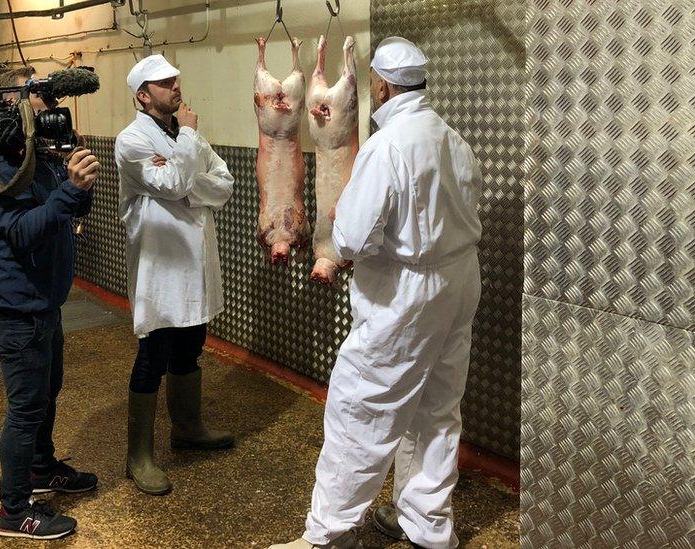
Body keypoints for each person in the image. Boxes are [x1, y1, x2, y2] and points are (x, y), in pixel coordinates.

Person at [270, 37, 484, 549]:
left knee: (361, 404)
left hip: (405, 293)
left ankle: (329, 533)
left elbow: (354, 239)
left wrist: (342, 228)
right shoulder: (452, 139)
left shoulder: (387, 147)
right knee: (436, 407)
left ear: (383, 87)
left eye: (372, 83)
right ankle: (429, 528)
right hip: (459, 280)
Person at [0, 66, 99, 540]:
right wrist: (68, 190)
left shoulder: (37, 153)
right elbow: (24, 233)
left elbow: (67, 211)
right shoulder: (2, 164)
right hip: (15, 310)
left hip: (44, 303)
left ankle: (41, 469)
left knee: (49, 391)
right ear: (11, 102)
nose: (48, 104)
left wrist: (77, 184)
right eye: (38, 94)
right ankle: (13, 511)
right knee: (25, 408)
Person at [115, 55, 236, 496]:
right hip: (160, 270)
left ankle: (187, 429)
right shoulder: (130, 141)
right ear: (142, 95)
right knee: (152, 358)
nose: (176, 88)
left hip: (195, 266)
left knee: (190, 349)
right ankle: (139, 457)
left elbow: (222, 183)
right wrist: (186, 167)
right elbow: (169, 185)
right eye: (164, 84)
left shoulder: (189, 138)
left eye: (176, 80)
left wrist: (190, 184)